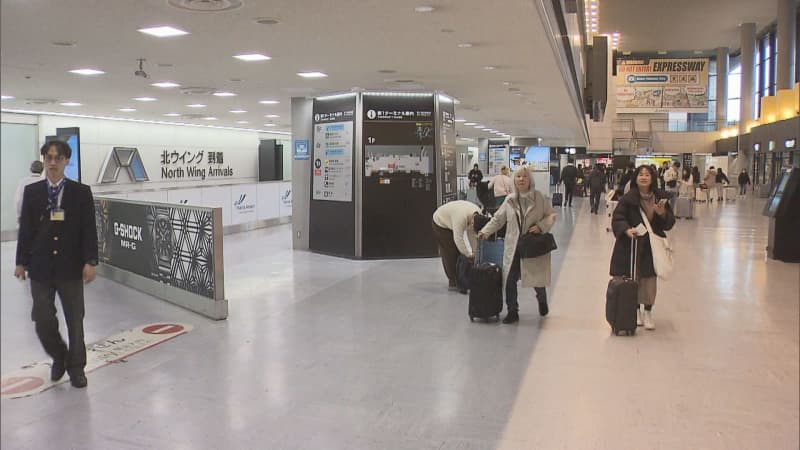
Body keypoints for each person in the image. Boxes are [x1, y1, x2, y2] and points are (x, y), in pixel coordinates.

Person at [15, 140, 98, 389]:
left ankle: (77, 368)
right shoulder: (33, 192)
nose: (53, 162)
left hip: (70, 267)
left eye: (58, 158)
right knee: (42, 319)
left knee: (75, 320)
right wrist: (21, 261)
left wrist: (90, 261)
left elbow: (89, 230)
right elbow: (26, 230)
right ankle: (60, 356)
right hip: (40, 267)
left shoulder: (81, 192)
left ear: (66, 161)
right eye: (49, 157)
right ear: (44, 159)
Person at [478, 167, 557, 324]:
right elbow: (498, 219)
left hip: (532, 245)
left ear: (530, 180)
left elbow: (551, 215)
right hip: (513, 246)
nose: (521, 179)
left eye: (524, 176)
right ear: (514, 180)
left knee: (535, 278)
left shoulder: (539, 198)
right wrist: (484, 232)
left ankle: (542, 299)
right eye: (518, 176)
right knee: (510, 279)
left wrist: (541, 226)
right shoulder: (509, 200)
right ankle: (512, 311)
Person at [609, 165, 675, 330]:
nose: (644, 177)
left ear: (652, 178)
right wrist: (625, 229)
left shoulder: (660, 199)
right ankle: (635, 310)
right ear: (636, 178)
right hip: (632, 245)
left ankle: (648, 311)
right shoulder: (628, 198)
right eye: (640, 174)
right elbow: (618, 217)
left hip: (651, 247)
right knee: (633, 278)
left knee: (650, 281)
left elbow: (669, 223)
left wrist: (661, 214)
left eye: (647, 175)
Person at [432, 200, 481, 291]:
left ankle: (462, 279)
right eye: (472, 224)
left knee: (460, 254)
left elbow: (472, 235)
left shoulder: (478, 214)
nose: (471, 225)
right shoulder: (460, 218)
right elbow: (458, 239)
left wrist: (474, 253)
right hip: (440, 222)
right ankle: (453, 281)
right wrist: (467, 254)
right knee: (450, 253)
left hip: (452, 220)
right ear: (472, 220)